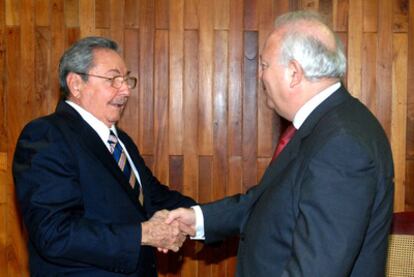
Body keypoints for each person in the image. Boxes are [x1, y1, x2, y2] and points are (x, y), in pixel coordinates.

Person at [166, 10, 394, 276]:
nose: (260, 76)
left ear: (294, 73)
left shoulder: (341, 143)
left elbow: (317, 270)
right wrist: (199, 219)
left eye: (264, 65)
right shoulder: (325, 123)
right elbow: (270, 201)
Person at [13, 36, 195, 276]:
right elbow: (54, 233)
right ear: (76, 84)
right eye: (113, 79)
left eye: (127, 79)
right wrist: (143, 234)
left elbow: (154, 198)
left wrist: (208, 220)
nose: (126, 90)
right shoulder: (47, 135)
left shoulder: (120, 140)